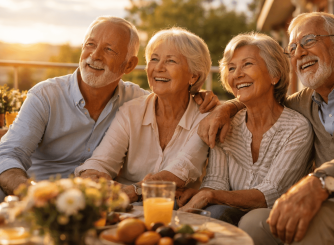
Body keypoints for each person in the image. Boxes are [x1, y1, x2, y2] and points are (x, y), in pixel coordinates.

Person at [198, 12, 334, 245]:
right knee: (257, 222)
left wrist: (320, 182)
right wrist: (225, 109)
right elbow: (263, 99)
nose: (299, 53)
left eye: (309, 41)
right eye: (292, 48)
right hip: (332, 209)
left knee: (317, 219)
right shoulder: (304, 102)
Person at [0, 16, 217, 201]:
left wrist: (224, 106)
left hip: (98, 200)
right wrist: (32, 193)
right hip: (39, 193)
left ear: (129, 65)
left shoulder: (136, 101)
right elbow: (9, 153)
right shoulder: (46, 96)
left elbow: (173, 98)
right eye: (90, 45)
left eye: (108, 49)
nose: (94, 56)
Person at [178, 33, 313, 226]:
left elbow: (270, 194)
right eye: (231, 68)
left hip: (279, 221)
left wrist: (210, 195)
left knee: (216, 216)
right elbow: (216, 183)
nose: (237, 74)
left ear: (275, 74)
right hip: (227, 213)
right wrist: (202, 194)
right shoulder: (226, 122)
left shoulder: (297, 128)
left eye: (247, 64)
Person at [75, 27, 212, 203]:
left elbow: (181, 170)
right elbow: (102, 159)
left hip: (174, 208)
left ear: (193, 75)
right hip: (125, 206)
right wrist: (91, 175)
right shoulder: (131, 111)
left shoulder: (204, 117)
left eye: (170, 61)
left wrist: (134, 191)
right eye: (154, 59)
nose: (159, 68)